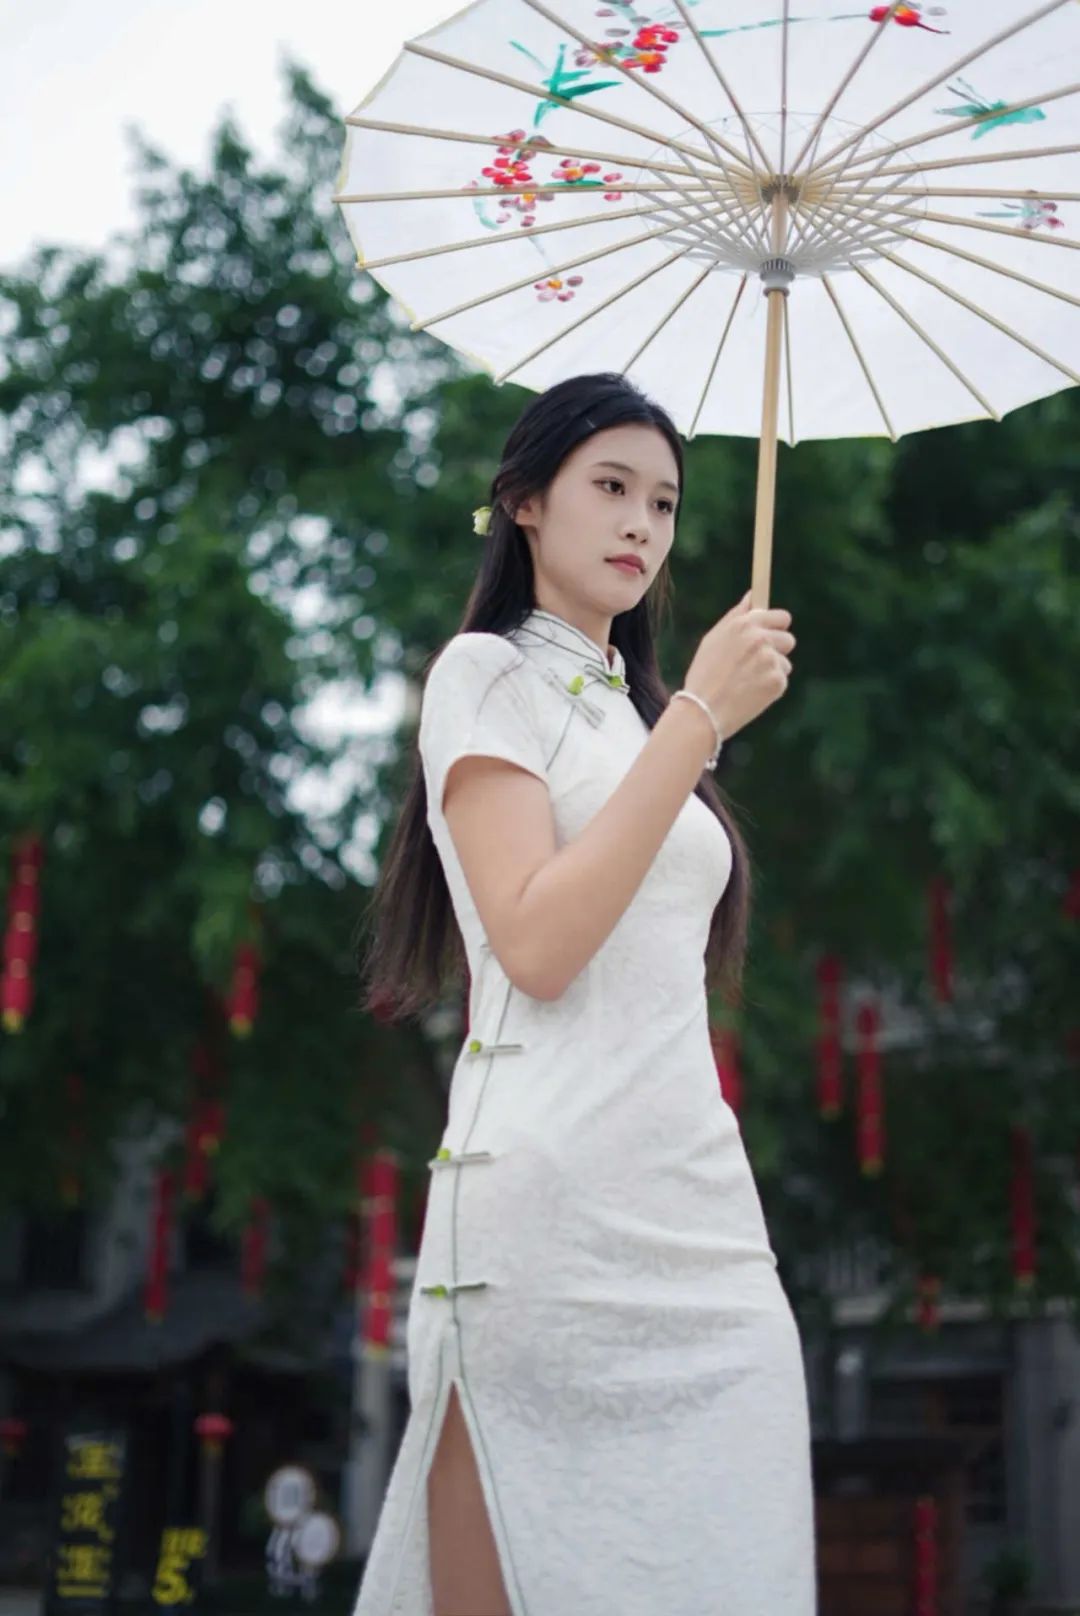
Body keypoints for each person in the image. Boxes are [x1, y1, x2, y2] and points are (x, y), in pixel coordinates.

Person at [353, 370, 812, 1616]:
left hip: (700, 1210)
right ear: (522, 502)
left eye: (663, 501)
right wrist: (701, 718)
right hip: (545, 1207)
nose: (640, 524)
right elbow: (539, 944)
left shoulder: (641, 714)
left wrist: (685, 719)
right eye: (610, 486)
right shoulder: (485, 674)